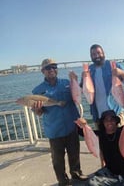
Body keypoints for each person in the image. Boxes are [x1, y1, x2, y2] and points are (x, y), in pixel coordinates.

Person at [32, 58, 87, 186]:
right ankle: (63, 181)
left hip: (71, 126)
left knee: (74, 154)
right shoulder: (37, 90)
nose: (51, 70)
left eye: (54, 66)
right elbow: (39, 113)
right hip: (54, 130)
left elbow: (80, 93)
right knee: (57, 160)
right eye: (48, 68)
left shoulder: (67, 83)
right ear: (43, 71)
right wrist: (37, 109)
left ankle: (76, 173)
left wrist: (82, 78)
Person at [77, 109, 124, 186]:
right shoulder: (100, 135)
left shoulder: (122, 131)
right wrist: (82, 124)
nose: (109, 122)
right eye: (106, 120)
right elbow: (82, 132)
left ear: (116, 121)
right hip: (109, 171)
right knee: (91, 183)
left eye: (112, 119)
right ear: (103, 123)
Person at [80, 44, 124, 129]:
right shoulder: (89, 69)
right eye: (93, 54)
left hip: (115, 113)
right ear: (91, 56)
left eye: (98, 53)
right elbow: (82, 89)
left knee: (119, 139)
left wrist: (121, 72)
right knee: (103, 141)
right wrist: (83, 79)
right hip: (98, 115)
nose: (96, 56)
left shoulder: (113, 65)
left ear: (103, 53)